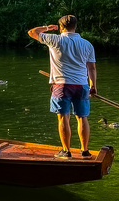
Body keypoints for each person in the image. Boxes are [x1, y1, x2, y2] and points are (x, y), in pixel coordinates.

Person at [28, 15, 98, 158]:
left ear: (61, 27)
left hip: (61, 85)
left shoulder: (54, 39)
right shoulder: (87, 44)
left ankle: (66, 151)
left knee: (63, 118)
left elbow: (32, 32)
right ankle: (85, 151)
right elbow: (92, 68)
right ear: (75, 26)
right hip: (82, 85)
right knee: (82, 117)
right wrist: (93, 85)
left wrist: (48, 28)